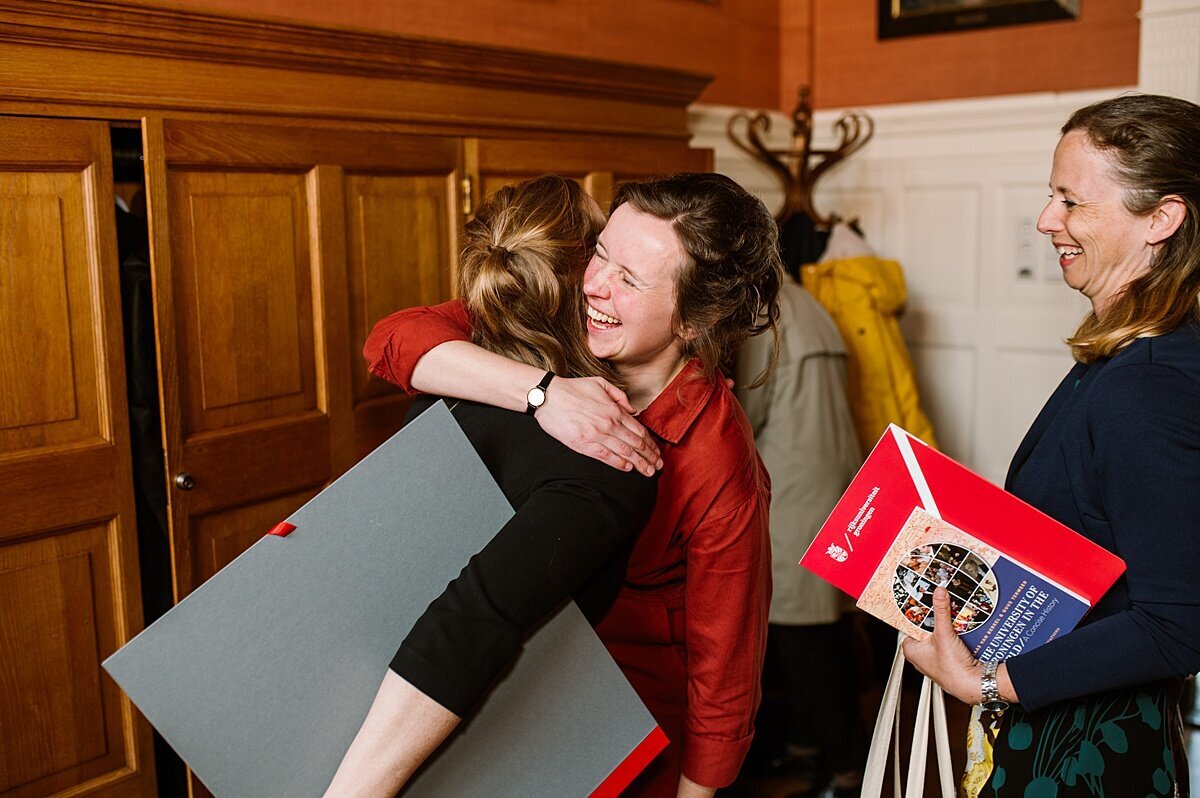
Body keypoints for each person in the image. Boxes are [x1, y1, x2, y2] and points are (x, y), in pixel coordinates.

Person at [362, 172, 783, 797]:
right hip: (495, 685)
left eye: (630, 280)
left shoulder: (719, 464)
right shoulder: (554, 316)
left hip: (623, 728)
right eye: (601, 254)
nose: (594, 286)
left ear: (694, 321)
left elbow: (725, 671)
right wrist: (543, 395)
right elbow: (391, 342)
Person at [322, 175, 659, 797]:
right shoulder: (608, 458)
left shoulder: (444, 390)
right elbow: (471, 621)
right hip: (470, 745)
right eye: (606, 253)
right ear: (583, 279)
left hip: (352, 702)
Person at [903, 93, 1200, 796]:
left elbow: (1177, 622)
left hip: (1087, 750)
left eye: (1072, 201)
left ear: (1160, 219)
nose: (1046, 221)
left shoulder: (1146, 382)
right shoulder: (1126, 356)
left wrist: (986, 683)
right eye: (1049, 196)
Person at [733, 272, 865, 796]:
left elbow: (745, 416)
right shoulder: (808, 304)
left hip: (792, 491)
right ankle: (807, 752)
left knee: (802, 642)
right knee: (817, 634)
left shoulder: (760, 316)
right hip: (835, 485)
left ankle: (848, 770)